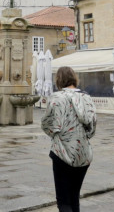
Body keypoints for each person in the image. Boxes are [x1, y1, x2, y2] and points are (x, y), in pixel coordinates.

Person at [41, 66, 97, 212]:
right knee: (74, 198)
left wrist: (57, 135)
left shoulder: (56, 98)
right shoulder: (87, 98)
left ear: (59, 80)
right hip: (83, 155)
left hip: (62, 152)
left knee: (64, 201)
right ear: (74, 78)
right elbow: (92, 128)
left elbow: (47, 124)